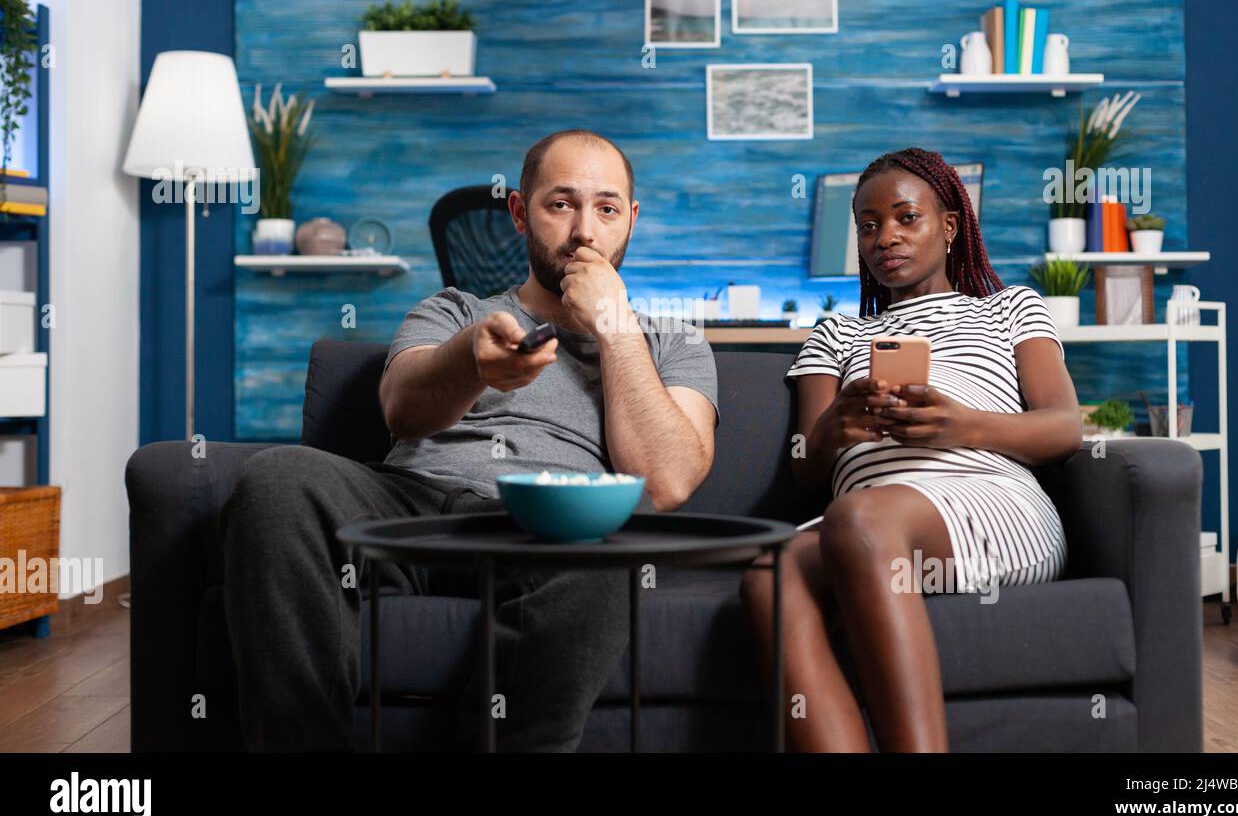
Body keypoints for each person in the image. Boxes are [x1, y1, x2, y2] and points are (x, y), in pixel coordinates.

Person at [220, 129, 719, 752]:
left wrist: (615, 327)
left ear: (630, 221)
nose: (585, 231)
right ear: (519, 212)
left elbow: (667, 482)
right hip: (410, 507)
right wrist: (470, 363)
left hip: (543, 528)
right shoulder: (453, 311)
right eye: (561, 204)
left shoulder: (675, 343)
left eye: (607, 208)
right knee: (278, 478)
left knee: (614, 534)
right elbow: (401, 410)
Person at [740, 147, 1082, 753]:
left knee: (861, 518)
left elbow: (1063, 428)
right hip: (862, 525)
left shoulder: (1010, 309)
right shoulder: (838, 333)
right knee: (770, 571)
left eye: (905, 218)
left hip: (989, 505)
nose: (884, 238)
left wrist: (962, 426)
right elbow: (806, 470)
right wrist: (835, 429)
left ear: (949, 227)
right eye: (868, 227)